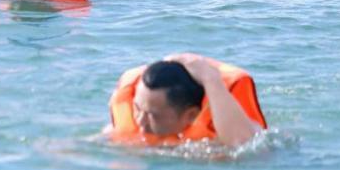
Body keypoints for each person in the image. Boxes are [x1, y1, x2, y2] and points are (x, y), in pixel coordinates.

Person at [105, 54, 267, 148]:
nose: (140, 120)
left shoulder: (223, 135)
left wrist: (210, 79)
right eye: (137, 108)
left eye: (153, 115)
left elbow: (243, 146)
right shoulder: (126, 130)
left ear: (190, 115)